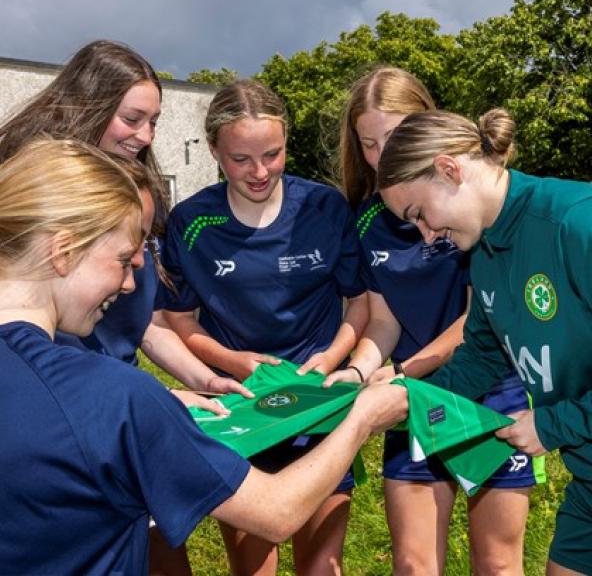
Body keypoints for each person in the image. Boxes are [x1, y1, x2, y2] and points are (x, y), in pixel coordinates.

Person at [0, 137, 408, 575]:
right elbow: (274, 513)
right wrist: (362, 417)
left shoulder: (102, 401)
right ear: (64, 252)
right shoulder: (112, 398)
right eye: (123, 260)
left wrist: (162, 405)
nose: (129, 286)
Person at [0, 39, 251, 575]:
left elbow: (144, 320)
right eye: (132, 118)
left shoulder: (136, 193)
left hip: (117, 405)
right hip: (60, 419)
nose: (145, 136)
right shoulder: (38, 195)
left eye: (155, 121)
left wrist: (200, 381)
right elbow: (274, 511)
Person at [326, 66, 541, 575]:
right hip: (414, 401)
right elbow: (382, 321)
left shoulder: (473, 210)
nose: (382, 157)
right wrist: (359, 373)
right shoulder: (367, 220)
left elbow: (477, 323)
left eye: (397, 136)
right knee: (415, 565)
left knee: (497, 564)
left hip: (488, 392)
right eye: (369, 144)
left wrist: (402, 376)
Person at [376, 106, 592, 576]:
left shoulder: (578, 223)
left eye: (420, 213)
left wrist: (553, 425)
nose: (427, 234)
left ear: (449, 169)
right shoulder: (485, 253)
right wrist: (403, 400)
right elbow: (480, 356)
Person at [159, 79, 368, 575]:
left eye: (272, 155)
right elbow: (179, 322)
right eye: (240, 159)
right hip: (241, 412)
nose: (259, 172)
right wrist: (232, 362)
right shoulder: (190, 222)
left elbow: (358, 304)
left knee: (321, 568)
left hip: (318, 405)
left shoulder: (325, 207)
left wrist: (332, 359)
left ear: (286, 143)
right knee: (254, 569)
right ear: (212, 149)